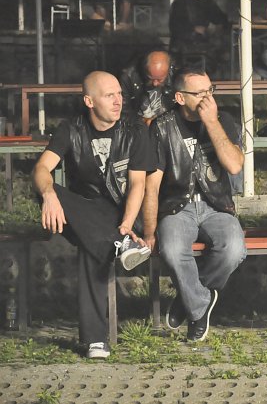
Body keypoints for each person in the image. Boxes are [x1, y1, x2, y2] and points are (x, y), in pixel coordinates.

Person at [32, 71, 153, 359]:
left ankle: (94, 340)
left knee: (91, 246)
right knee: (45, 188)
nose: (118, 101)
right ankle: (119, 245)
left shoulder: (135, 129)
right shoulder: (71, 129)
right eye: (109, 95)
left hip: (122, 214)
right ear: (89, 101)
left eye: (119, 94)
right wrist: (49, 194)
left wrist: (126, 225)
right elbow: (41, 169)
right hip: (84, 212)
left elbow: (138, 185)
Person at [143, 67, 246, 342]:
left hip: (217, 205)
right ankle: (199, 306)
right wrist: (150, 230)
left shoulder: (223, 120)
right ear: (180, 97)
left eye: (210, 90)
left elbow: (234, 165)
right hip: (177, 207)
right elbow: (152, 185)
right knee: (173, 250)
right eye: (199, 93)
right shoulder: (162, 127)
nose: (207, 98)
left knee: (234, 250)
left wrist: (212, 123)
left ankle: (188, 298)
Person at [169, 0, 228, 75]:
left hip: (206, 41)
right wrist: (193, 29)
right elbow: (174, 26)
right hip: (186, 43)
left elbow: (221, 18)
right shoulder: (181, 3)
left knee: (226, 49)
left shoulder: (208, 2)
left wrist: (218, 26)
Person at [119, 49, 176, 124]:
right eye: (150, 78)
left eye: (160, 79)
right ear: (144, 69)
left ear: (168, 71)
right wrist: (143, 121)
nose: (155, 83)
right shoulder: (128, 77)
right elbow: (122, 113)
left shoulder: (175, 74)